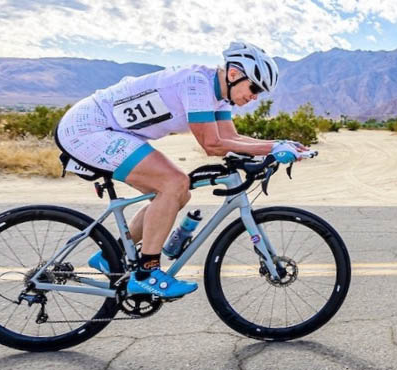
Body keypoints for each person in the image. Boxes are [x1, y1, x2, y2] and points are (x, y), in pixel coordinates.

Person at [55, 41, 306, 298]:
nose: (255, 96)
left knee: (179, 191)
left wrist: (279, 146)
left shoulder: (220, 96)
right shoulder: (197, 83)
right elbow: (213, 144)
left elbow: (233, 138)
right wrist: (272, 148)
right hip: (87, 129)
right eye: (254, 87)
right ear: (233, 74)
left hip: (114, 130)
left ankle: (112, 256)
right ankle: (146, 273)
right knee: (173, 183)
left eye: (260, 93)